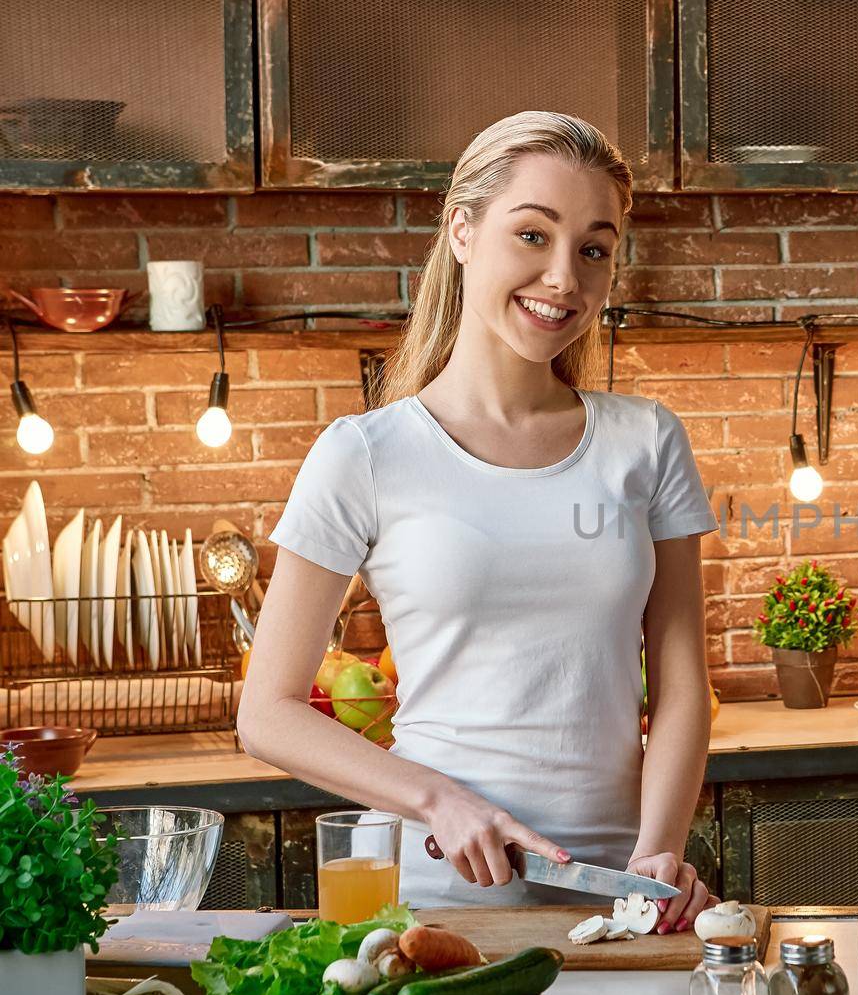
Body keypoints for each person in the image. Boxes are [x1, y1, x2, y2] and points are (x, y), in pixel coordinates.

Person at [239, 111, 719, 929]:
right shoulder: (365, 452)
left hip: (616, 895)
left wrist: (659, 852)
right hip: (439, 897)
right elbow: (267, 712)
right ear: (462, 231)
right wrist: (439, 799)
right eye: (533, 235)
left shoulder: (646, 440)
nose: (564, 277)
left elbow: (682, 691)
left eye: (593, 249)